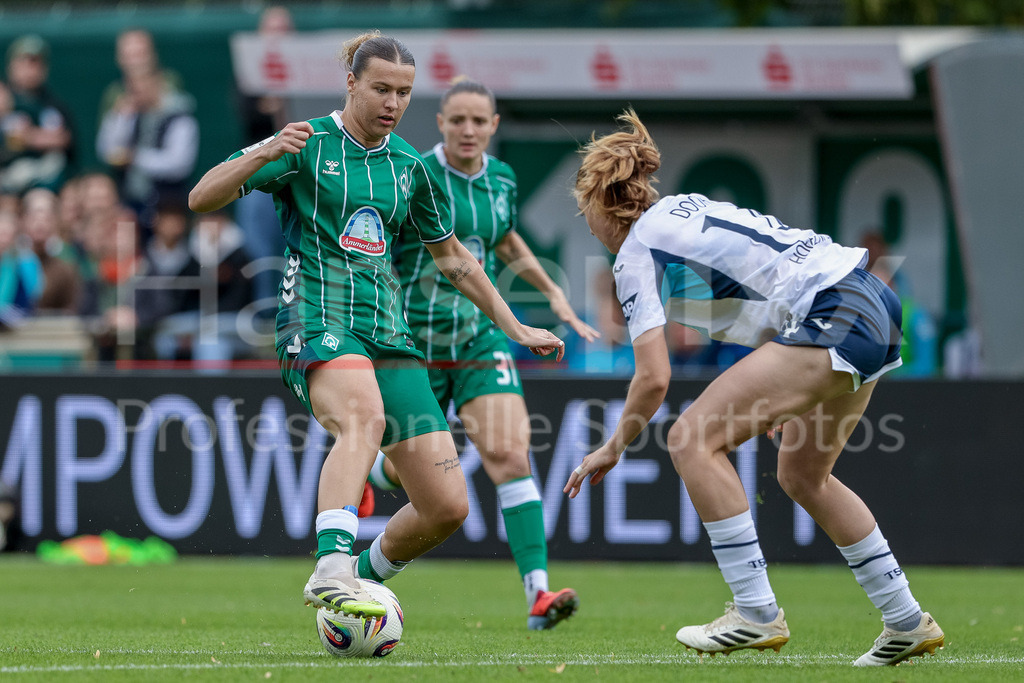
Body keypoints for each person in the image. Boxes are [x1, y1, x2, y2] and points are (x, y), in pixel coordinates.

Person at [188, 31, 564, 618]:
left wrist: (517, 328)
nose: (392, 103)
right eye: (381, 88)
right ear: (351, 84)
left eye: (404, 93)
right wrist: (263, 152)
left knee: (446, 507)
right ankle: (332, 566)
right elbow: (201, 198)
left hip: (390, 333)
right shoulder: (306, 143)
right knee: (363, 417)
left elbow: (456, 261)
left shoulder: (411, 167)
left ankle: (361, 577)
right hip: (315, 317)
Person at [563, 110, 944, 667]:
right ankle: (907, 620)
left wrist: (613, 445)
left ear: (601, 202)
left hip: (834, 312)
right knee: (802, 474)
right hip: (870, 300)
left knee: (690, 439)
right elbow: (763, 295)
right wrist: (787, 391)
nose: (586, 223)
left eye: (584, 210)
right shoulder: (686, 209)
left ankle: (755, 612)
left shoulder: (635, 253)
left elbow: (653, 377)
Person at [368, 77, 598, 630]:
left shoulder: (502, 178)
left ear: (493, 126)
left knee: (510, 454)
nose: (468, 130)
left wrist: (554, 294)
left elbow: (504, 239)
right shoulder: (413, 174)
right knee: (410, 476)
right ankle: (382, 472)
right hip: (414, 344)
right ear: (441, 123)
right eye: (458, 120)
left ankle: (538, 596)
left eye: (479, 121)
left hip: (479, 337)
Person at [96, 64, 199, 234]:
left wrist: (136, 158)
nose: (135, 91)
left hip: (168, 208)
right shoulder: (130, 114)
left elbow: (180, 164)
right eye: (131, 86)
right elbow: (106, 150)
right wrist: (120, 117)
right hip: (131, 204)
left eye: (141, 84)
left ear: (157, 83)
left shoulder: (179, 117)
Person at [0, 35, 75, 197]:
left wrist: (28, 136)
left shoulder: (54, 105)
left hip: (46, 188)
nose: (29, 68)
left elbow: (64, 139)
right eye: (24, 61)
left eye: (35, 62)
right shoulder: (4, 99)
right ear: (11, 66)